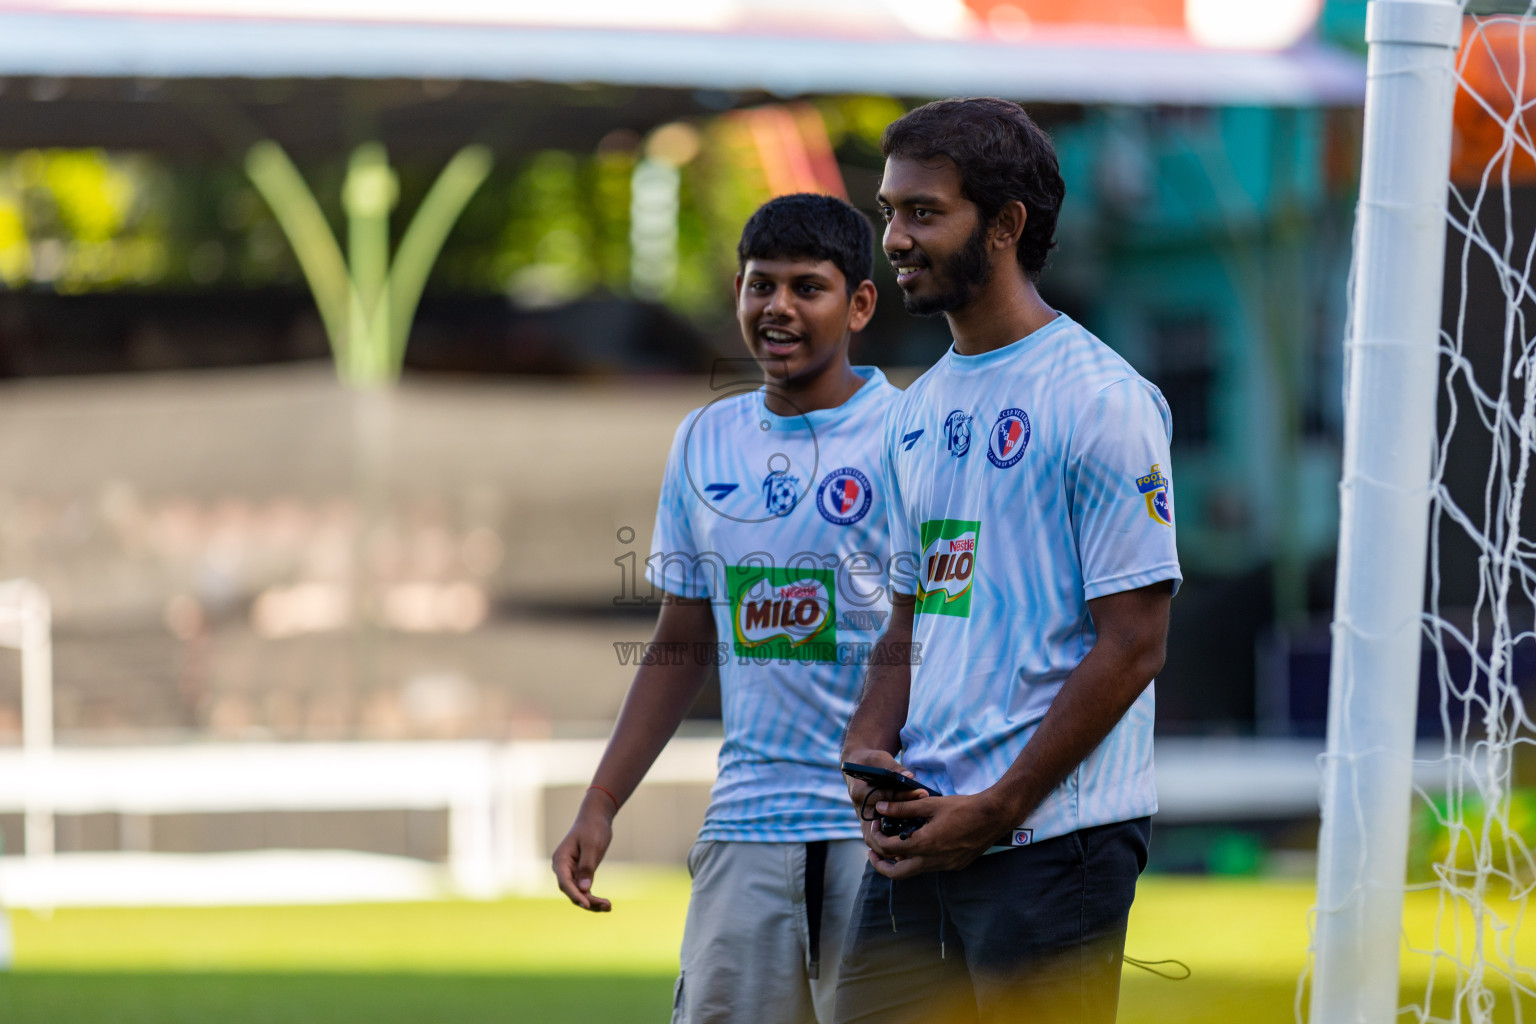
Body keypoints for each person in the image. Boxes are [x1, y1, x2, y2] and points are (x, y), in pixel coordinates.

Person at [834, 98, 1181, 1024]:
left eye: (922, 211)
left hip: (1051, 843)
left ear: (1006, 224)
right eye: (888, 211)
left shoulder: (1104, 401)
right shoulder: (916, 410)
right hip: (920, 835)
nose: (894, 238)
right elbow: (910, 614)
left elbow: (1135, 646)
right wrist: (867, 745)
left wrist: (1000, 804)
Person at [553, 192, 901, 1024]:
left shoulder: (909, 431)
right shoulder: (704, 439)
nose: (777, 306)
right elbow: (682, 638)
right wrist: (601, 801)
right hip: (745, 826)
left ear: (859, 304)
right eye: (759, 285)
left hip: (876, 835)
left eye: (806, 287)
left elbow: (944, 628)